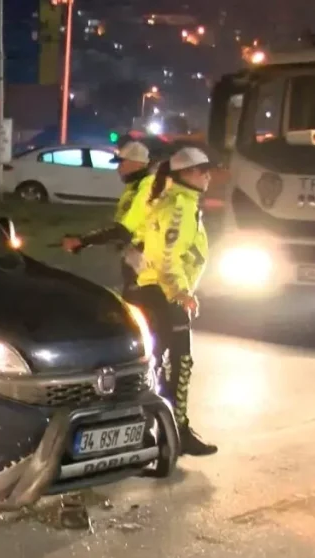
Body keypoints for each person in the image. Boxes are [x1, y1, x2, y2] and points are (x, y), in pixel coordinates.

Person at [130, 146, 217, 457]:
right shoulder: (179, 206)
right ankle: (175, 434)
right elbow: (167, 257)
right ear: (186, 173)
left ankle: (153, 431)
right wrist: (180, 292)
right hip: (165, 295)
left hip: (157, 292)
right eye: (203, 170)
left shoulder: (176, 201)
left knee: (155, 364)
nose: (208, 176)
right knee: (178, 365)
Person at [61, 141, 155, 290]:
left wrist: (81, 241)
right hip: (137, 256)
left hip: (147, 260)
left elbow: (123, 230)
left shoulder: (148, 187)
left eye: (122, 163)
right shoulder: (135, 185)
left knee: (139, 299)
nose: (118, 168)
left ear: (137, 163)